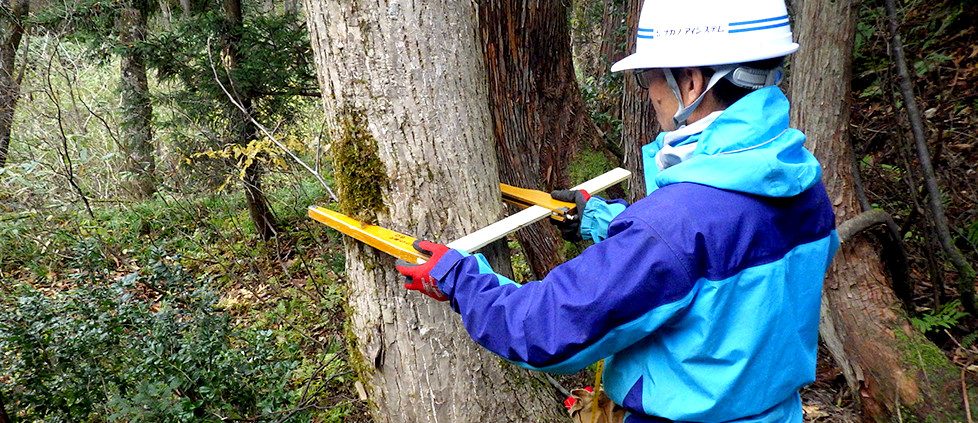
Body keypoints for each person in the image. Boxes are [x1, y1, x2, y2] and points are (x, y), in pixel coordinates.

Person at [396, 0, 839, 421]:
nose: (650, 93)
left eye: (648, 78)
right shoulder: (803, 184)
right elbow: (712, 255)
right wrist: (605, 222)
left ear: (690, 81)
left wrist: (460, 281)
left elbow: (544, 331)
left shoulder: (676, 224)